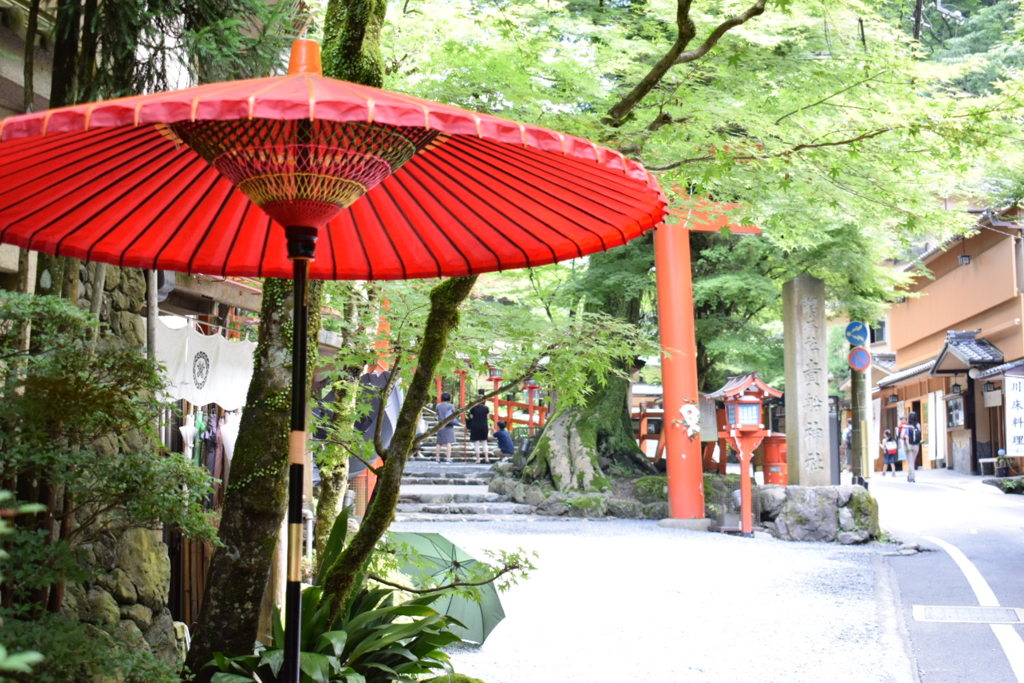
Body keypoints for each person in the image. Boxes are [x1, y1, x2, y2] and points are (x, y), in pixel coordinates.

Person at [467, 389, 491, 463]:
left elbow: (471, 417)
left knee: (476, 443)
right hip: (484, 426)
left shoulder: (473, 409)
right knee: (484, 442)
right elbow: (488, 417)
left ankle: (478, 459)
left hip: (475, 426)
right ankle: (486, 458)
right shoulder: (486, 408)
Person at [435, 392, 456, 463]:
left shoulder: (438, 406)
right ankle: (448, 458)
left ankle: (437, 458)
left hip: (441, 425)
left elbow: (437, 413)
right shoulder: (451, 406)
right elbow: (454, 414)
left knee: (439, 442)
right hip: (449, 425)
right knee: (448, 442)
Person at [900, 411, 921, 483]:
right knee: (912, 461)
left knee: (910, 462)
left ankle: (912, 477)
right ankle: (909, 476)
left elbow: (901, 436)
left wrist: (905, 436)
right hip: (916, 446)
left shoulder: (906, 426)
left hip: (908, 446)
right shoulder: (918, 425)